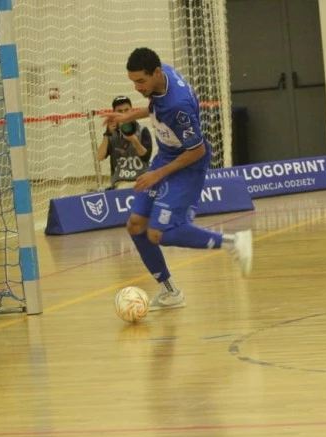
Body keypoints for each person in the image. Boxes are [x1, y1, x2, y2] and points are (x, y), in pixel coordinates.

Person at [102, 47, 252, 310]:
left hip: (187, 165)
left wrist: (156, 174)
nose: (137, 87)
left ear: (156, 73)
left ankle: (233, 242)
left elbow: (197, 151)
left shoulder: (178, 105)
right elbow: (155, 107)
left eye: (140, 81)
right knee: (136, 225)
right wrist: (130, 115)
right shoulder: (164, 76)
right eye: (133, 81)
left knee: (161, 233)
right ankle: (170, 292)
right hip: (167, 156)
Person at [96, 95, 152, 190]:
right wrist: (107, 134)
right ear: (114, 113)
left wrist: (133, 139)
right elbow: (99, 157)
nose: (123, 114)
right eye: (119, 111)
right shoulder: (111, 134)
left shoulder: (142, 130)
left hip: (142, 179)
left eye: (126, 110)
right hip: (121, 181)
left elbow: (146, 157)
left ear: (132, 110)